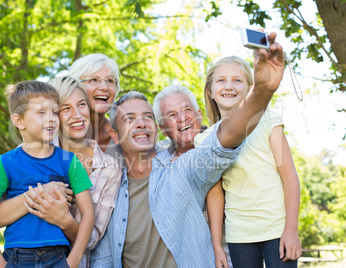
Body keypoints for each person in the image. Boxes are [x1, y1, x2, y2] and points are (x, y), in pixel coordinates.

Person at [90, 31, 286, 267]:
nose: (141, 123)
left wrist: (261, 91)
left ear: (155, 127)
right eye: (129, 119)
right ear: (115, 134)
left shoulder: (180, 168)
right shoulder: (108, 186)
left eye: (146, 117)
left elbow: (224, 139)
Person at [0, 76, 122, 267]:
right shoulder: (27, 155)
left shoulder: (109, 167)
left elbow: (93, 239)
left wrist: (63, 219)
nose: (77, 115)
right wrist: (43, 192)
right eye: (65, 109)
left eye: (81, 105)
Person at [196, 56, 302, 268]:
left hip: (277, 229)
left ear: (250, 88)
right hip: (239, 235)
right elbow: (215, 195)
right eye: (221, 81)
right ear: (210, 91)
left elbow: (290, 176)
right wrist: (217, 246)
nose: (229, 86)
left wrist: (291, 229)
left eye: (237, 80)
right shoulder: (204, 139)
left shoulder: (267, 119)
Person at [0, 81, 95, 267]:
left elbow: (88, 213)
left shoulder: (70, 161)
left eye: (55, 112)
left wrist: (73, 260)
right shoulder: (5, 163)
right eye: (41, 112)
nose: (51, 119)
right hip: (17, 257)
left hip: (58, 256)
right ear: (19, 121)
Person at [153, 84, 232, 268]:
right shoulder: (158, 159)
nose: (182, 118)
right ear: (162, 129)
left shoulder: (219, 141)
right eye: (172, 115)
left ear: (199, 114)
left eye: (187, 109)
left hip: (230, 255)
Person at [68, 54, 120, 153]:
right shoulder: (54, 132)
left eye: (110, 80)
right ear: (75, 87)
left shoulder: (122, 135)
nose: (104, 87)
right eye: (93, 80)